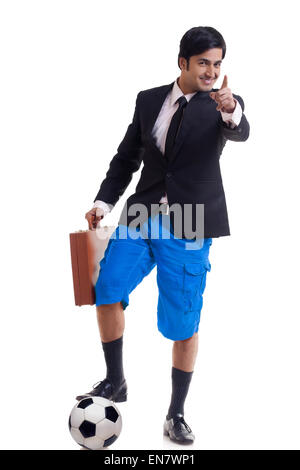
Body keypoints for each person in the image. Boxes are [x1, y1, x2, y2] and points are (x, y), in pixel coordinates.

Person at [76, 26, 250, 444]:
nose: (211, 72)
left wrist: (230, 109)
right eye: (204, 62)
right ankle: (115, 382)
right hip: (141, 213)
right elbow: (127, 156)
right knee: (105, 290)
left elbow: (239, 130)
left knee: (183, 323)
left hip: (190, 222)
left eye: (217, 63)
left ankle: (175, 413)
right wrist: (104, 203)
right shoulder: (149, 99)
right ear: (183, 63)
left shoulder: (224, 104)